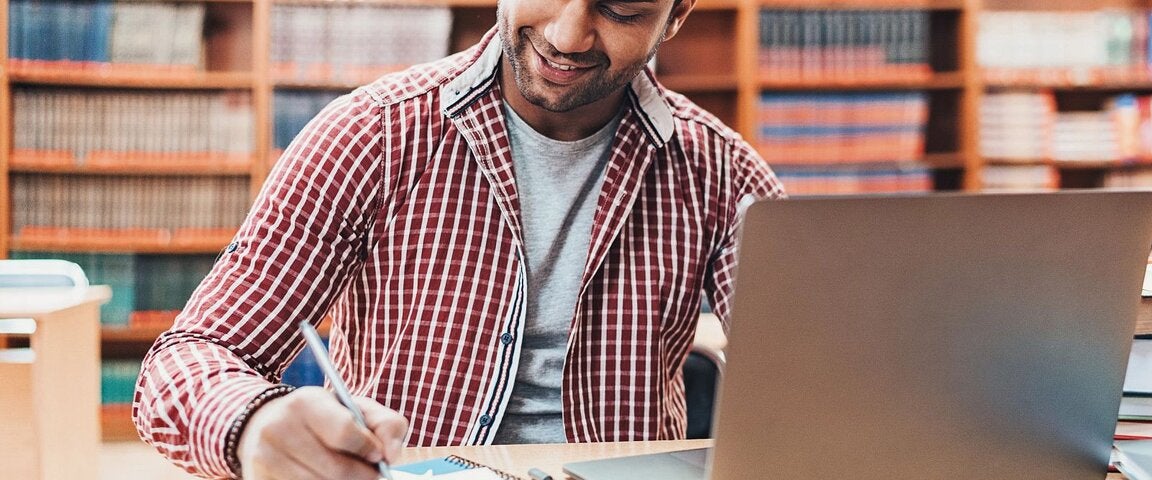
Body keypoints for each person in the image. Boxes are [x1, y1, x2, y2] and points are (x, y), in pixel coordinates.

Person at [132, 0, 783, 478]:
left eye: (621, 9)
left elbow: (829, 378)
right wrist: (252, 424)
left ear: (675, 16)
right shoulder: (369, 135)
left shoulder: (720, 175)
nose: (567, 33)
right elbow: (190, 356)